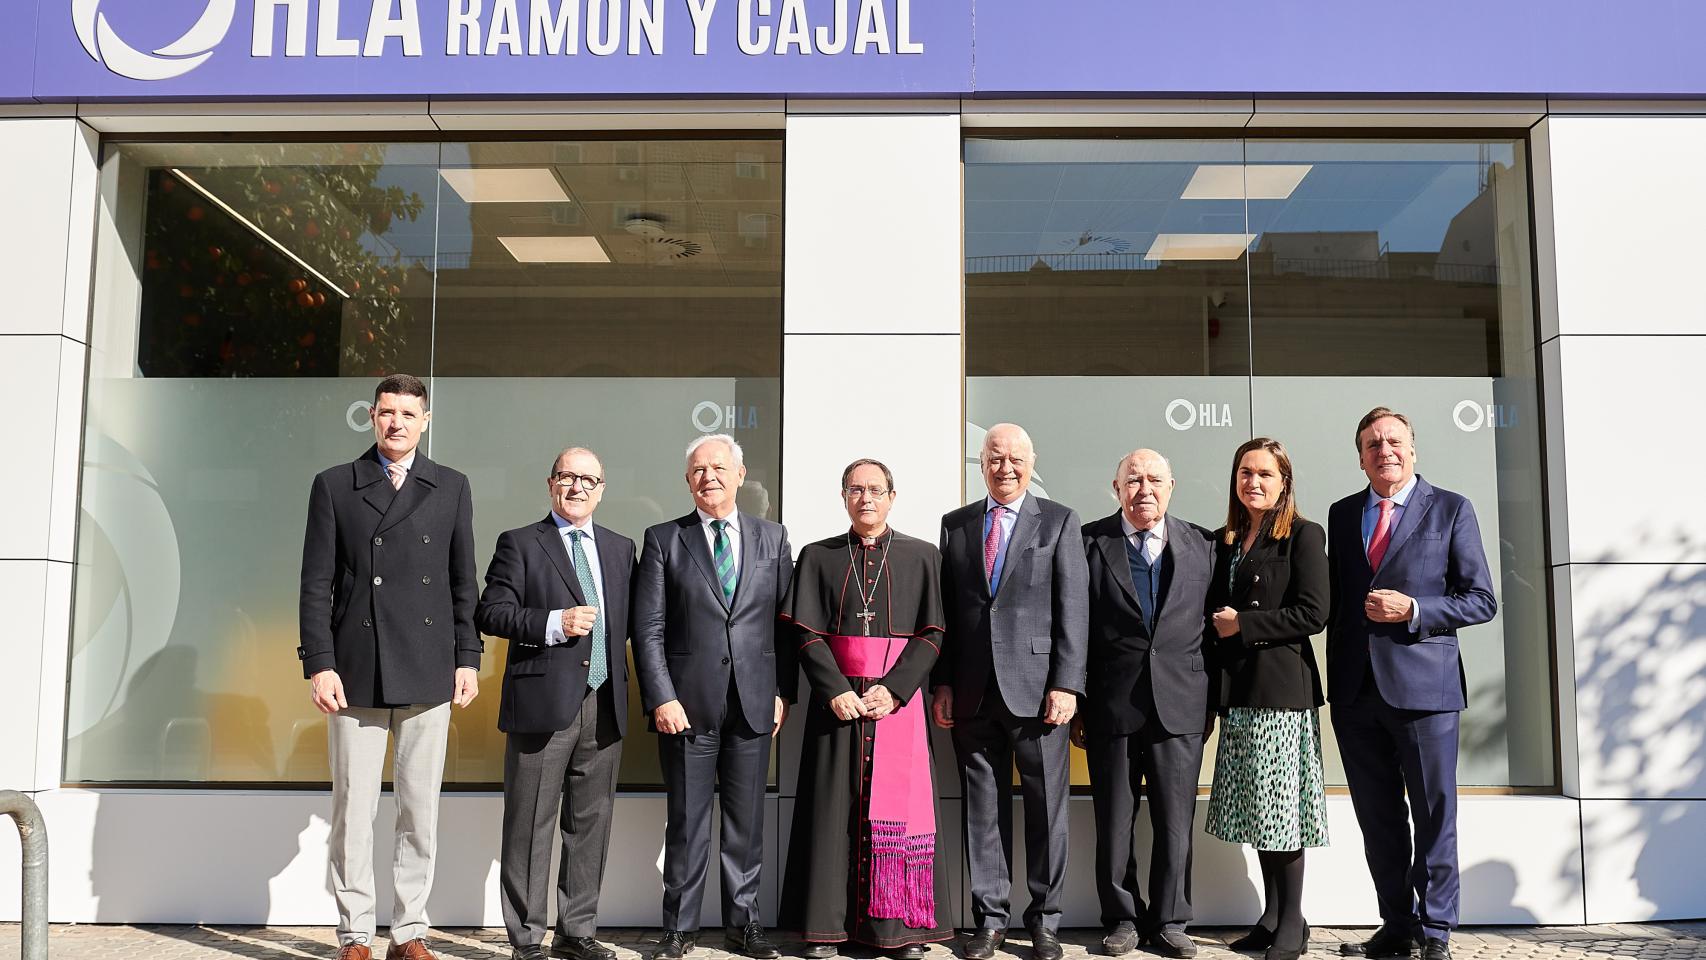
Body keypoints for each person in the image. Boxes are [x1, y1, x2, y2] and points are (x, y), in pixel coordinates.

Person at [297, 373, 481, 960]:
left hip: (428, 667)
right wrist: (319, 663)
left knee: (418, 808)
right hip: (355, 668)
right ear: (371, 417)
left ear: (425, 421)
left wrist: (468, 658)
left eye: (407, 413)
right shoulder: (334, 485)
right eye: (386, 412)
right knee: (353, 807)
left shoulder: (450, 486)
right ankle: (355, 932)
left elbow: (462, 582)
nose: (396, 422)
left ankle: (409, 932)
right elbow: (314, 585)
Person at [1327, 408, 1497, 960]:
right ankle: (1397, 925)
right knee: (1378, 820)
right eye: (1373, 444)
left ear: (1413, 450)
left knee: (1434, 816)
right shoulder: (1342, 513)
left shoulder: (1450, 508)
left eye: (1394, 441)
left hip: (1426, 691)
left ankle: (1437, 931)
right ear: (1360, 457)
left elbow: (1481, 600)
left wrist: (1414, 608)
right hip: (1356, 694)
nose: (1385, 451)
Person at [779, 459, 952, 960]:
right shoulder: (818, 556)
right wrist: (832, 688)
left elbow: (932, 632)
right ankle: (825, 930)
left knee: (895, 813)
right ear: (843, 497)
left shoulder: (923, 557)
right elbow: (806, 633)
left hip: (895, 706)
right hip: (837, 703)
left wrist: (896, 689)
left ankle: (895, 932)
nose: (866, 498)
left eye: (876, 490)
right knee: (831, 813)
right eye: (856, 490)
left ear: (893, 497)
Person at [633, 433, 794, 960]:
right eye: (699, 470)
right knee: (687, 821)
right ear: (687, 481)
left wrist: (782, 692)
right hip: (686, 707)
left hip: (752, 704)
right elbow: (649, 629)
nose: (710, 477)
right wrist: (661, 696)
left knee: (745, 824)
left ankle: (742, 924)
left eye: (719, 468)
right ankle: (678, 928)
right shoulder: (664, 540)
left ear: (740, 475)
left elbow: (784, 627)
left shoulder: (773, 539)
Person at [475, 447, 637, 960]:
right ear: (550, 484)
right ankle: (526, 938)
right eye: (568, 476)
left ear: (602, 489)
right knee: (530, 823)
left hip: (604, 699)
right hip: (542, 701)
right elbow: (492, 612)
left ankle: (577, 932)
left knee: (591, 822)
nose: (578, 487)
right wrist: (553, 623)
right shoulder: (521, 543)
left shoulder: (619, 547)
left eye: (590, 479)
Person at [934, 423, 1088, 960]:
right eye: (995, 458)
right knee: (983, 809)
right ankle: (990, 919)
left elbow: (1074, 608)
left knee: (1046, 810)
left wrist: (1067, 683)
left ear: (1032, 461)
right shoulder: (956, 525)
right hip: (974, 692)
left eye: (1015, 458)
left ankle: (1045, 920)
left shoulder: (1060, 521)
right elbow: (948, 613)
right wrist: (945, 682)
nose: (1006, 468)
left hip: (1039, 692)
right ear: (981, 463)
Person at [1074, 449, 1215, 960]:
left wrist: (1212, 702)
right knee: (1114, 820)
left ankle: (1172, 920)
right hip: (1112, 704)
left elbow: (1213, 633)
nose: (1144, 489)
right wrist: (1079, 697)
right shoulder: (1089, 541)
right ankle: (1121, 919)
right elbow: (1075, 626)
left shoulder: (1202, 544)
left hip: (1182, 703)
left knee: (1176, 821)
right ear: (1116, 489)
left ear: (1172, 485)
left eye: (1154, 479)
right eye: (1132, 480)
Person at [1203, 438, 1330, 960]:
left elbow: (1314, 614)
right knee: (1260, 812)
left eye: (1264, 474)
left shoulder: (1302, 535)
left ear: (1284, 482)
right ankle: (1272, 916)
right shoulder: (1226, 540)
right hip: (1239, 692)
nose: (1253, 482)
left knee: (1283, 815)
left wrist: (1243, 625)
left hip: (1280, 693)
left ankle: (1293, 924)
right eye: (1244, 473)